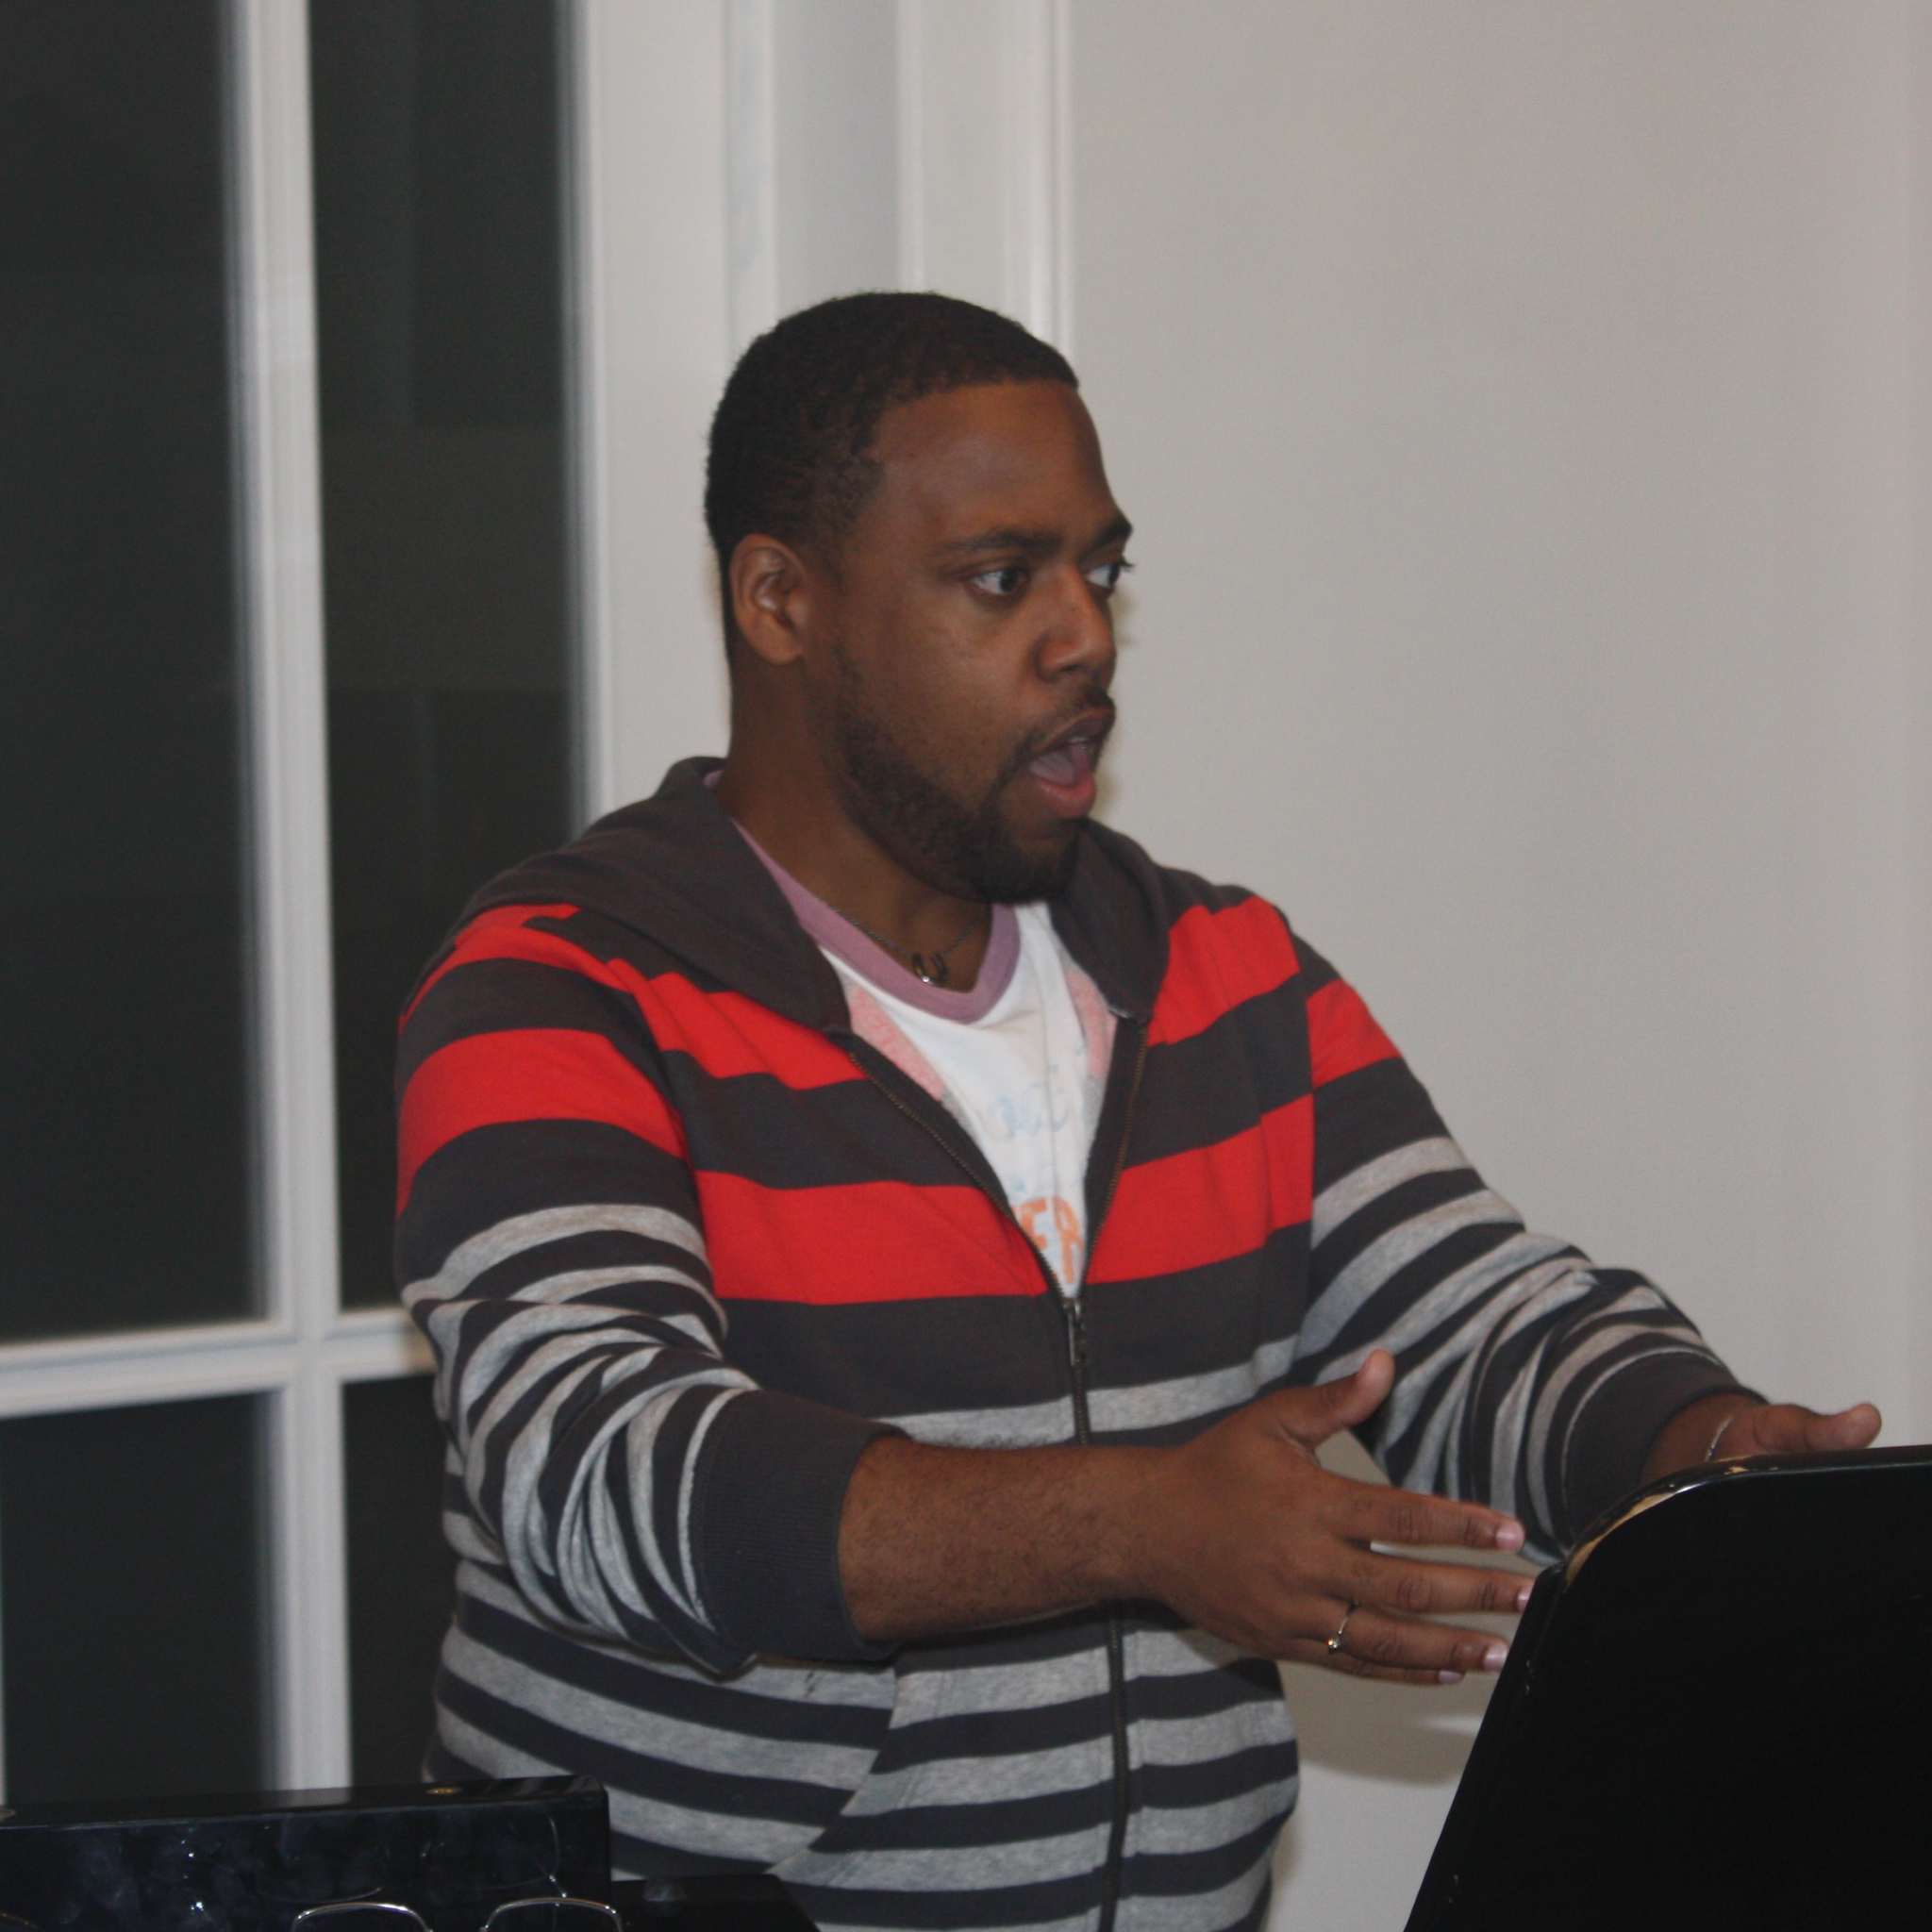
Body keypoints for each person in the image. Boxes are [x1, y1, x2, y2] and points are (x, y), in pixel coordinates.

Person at [394, 292, 1879, 1932]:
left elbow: (1469, 1323)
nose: (1083, 638)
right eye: (1000, 576)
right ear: (782, 599)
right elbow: (592, 1466)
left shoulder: (1222, 975)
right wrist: (1137, 1521)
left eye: (1099, 572)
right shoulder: (566, 985)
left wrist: (1699, 1457)